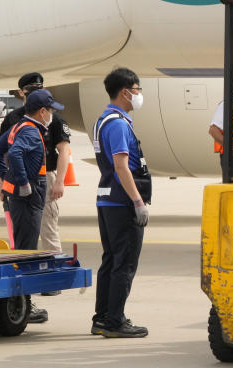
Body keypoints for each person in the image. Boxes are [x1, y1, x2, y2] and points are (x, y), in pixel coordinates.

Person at [0, 89, 65, 324]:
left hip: (22, 195)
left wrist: (7, 177)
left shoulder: (18, 126)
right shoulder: (32, 132)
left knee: (23, 248)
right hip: (29, 196)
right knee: (26, 251)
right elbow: (13, 154)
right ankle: (24, 304)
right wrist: (22, 182)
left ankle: (22, 301)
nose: (52, 114)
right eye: (51, 110)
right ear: (42, 111)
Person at [91, 67, 152, 338]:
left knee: (110, 261)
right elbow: (121, 166)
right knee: (124, 264)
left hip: (107, 199)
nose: (139, 95)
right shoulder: (117, 123)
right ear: (125, 92)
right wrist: (138, 201)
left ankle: (102, 317)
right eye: (137, 90)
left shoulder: (103, 120)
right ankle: (114, 322)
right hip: (121, 203)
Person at [0, 72, 72, 256]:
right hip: (16, 178)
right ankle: (26, 275)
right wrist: (1, 182)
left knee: (48, 230)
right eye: (31, 90)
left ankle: (53, 279)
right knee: (23, 233)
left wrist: (59, 181)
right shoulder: (12, 119)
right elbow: (2, 152)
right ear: (21, 92)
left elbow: (64, 150)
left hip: (45, 178)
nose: (34, 93)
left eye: (39, 89)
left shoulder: (53, 117)